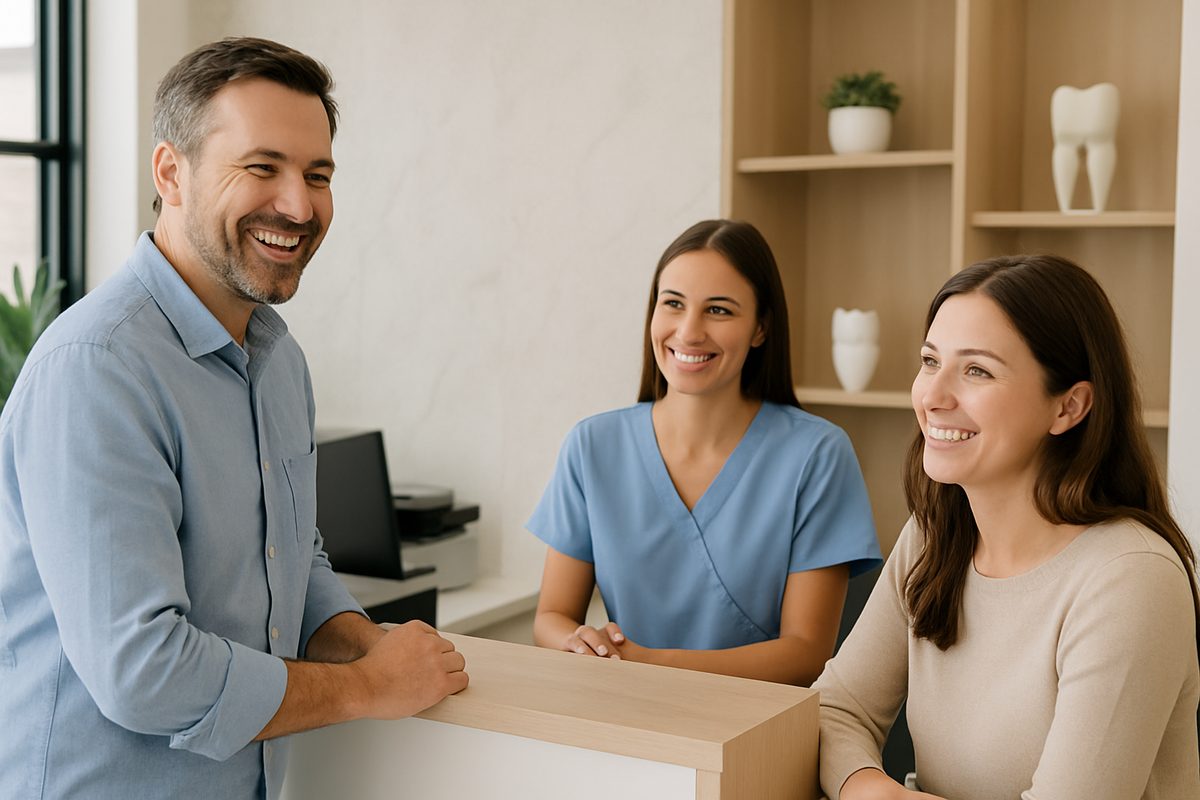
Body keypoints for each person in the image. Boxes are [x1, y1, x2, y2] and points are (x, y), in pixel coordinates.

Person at [0, 38, 467, 799]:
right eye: (262, 167)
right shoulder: (97, 369)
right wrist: (366, 689)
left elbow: (291, 559)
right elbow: (143, 673)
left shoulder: (278, 361)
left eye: (318, 175)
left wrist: (365, 644)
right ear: (170, 174)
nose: (299, 204)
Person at [815, 254, 1200, 799]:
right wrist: (869, 790)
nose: (933, 396)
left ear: (1068, 407)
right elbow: (835, 708)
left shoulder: (1131, 579)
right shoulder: (933, 536)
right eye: (930, 360)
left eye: (977, 370)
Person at [527, 219, 881, 685]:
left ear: (760, 328)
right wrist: (580, 644)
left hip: (756, 734)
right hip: (624, 716)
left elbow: (806, 654)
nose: (689, 332)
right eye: (672, 303)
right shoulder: (592, 445)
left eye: (718, 310)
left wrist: (650, 663)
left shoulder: (817, 454)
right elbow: (551, 616)